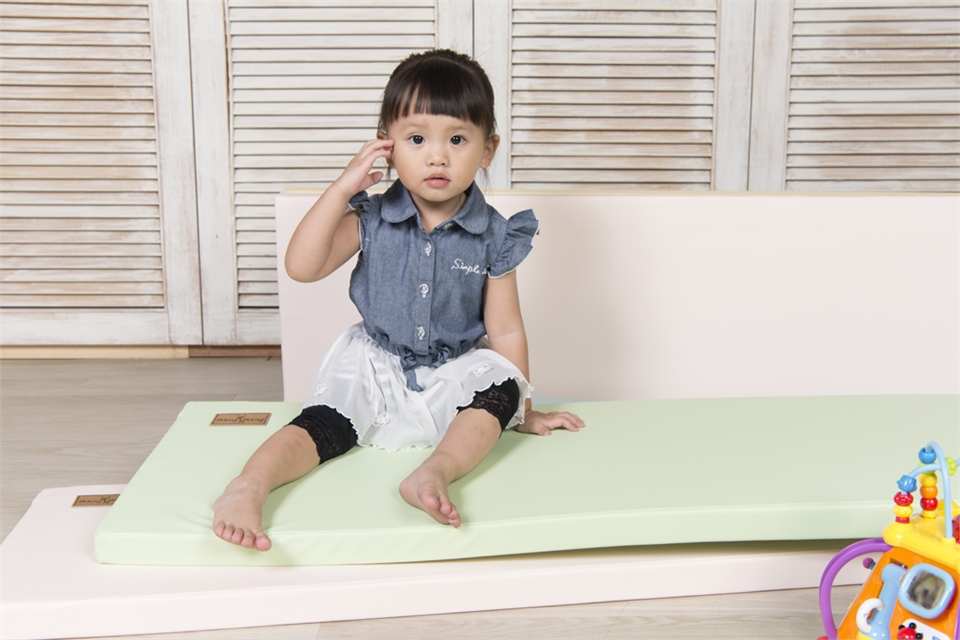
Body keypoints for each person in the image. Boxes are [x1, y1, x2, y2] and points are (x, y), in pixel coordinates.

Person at [213, 49, 583, 552]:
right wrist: (343, 186)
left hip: (454, 367)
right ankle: (248, 485)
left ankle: (433, 472)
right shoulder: (371, 218)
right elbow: (301, 266)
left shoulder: (496, 236)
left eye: (457, 139)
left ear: (487, 149)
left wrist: (524, 408)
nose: (437, 157)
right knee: (321, 426)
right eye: (416, 139)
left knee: (499, 393)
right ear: (386, 144)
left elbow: (506, 329)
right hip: (375, 363)